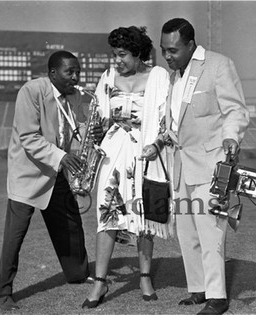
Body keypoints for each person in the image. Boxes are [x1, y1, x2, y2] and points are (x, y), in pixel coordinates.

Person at [144, 18, 249, 315]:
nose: (168, 56)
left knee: (211, 230)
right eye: (164, 50)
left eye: (173, 50)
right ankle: (199, 289)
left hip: (211, 163)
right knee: (187, 232)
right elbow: (175, 123)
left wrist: (231, 138)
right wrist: (159, 142)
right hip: (180, 166)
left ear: (191, 45)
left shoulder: (218, 65)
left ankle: (217, 297)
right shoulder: (174, 77)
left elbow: (235, 110)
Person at [0, 51, 103, 311]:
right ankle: (1, 294)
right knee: (14, 236)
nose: (75, 77)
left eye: (78, 71)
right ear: (53, 73)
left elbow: (81, 131)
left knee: (71, 223)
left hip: (55, 172)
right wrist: (62, 157)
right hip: (27, 176)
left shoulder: (75, 96)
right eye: (69, 72)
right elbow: (29, 137)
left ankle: (76, 273)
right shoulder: (31, 91)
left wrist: (95, 132)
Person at [82, 26, 171, 309]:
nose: (117, 61)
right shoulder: (108, 77)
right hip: (113, 153)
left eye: (122, 55)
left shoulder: (158, 77)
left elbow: (167, 121)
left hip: (145, 154)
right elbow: (97, 116)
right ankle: (100, 282)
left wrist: (156, 145)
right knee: (107, 212)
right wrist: (94, 127)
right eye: (114, 55)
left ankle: (145, 276)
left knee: (143, 216)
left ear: (138, 54)